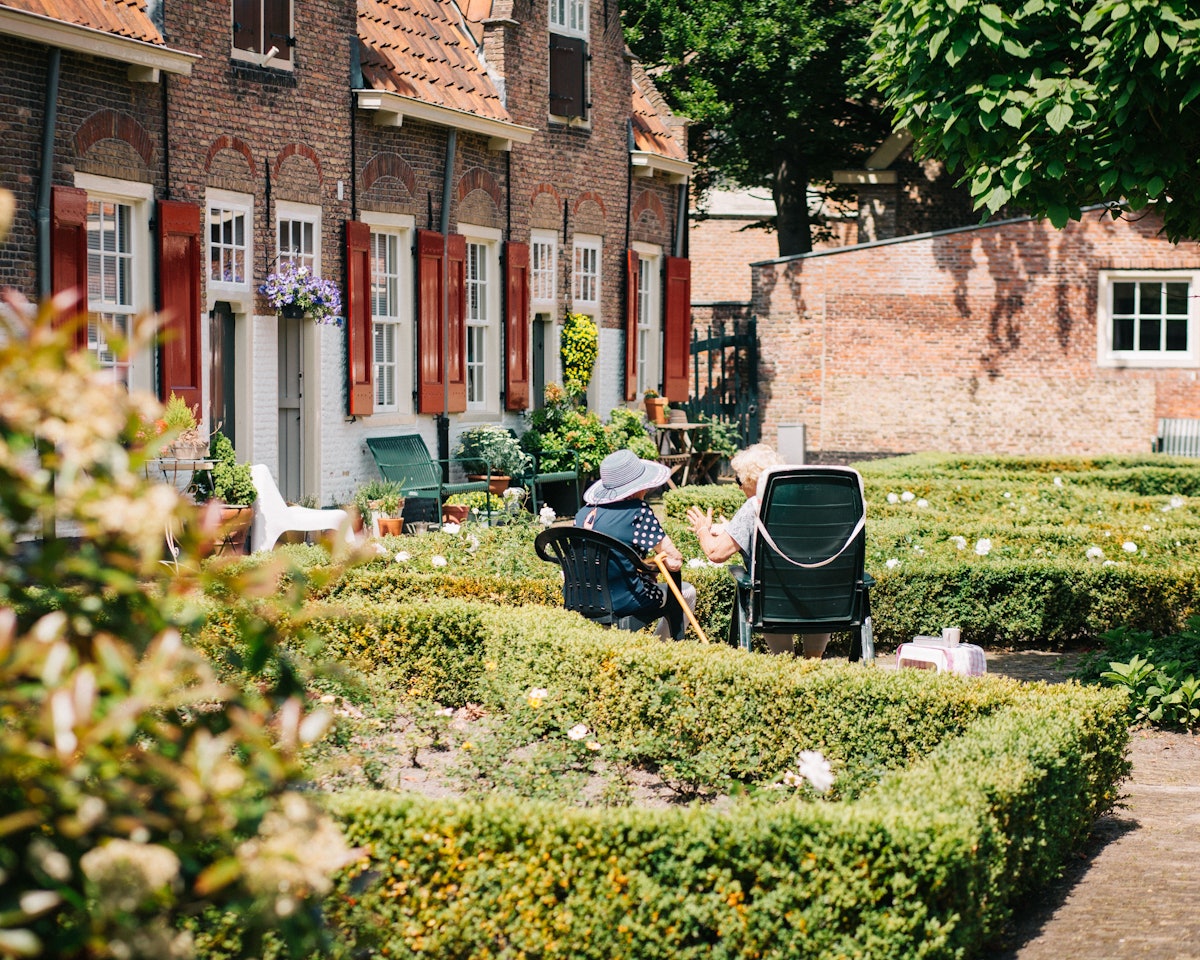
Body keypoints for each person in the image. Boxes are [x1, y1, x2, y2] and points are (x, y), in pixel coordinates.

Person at [686, 444, 830, 658]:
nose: (738, 487)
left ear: (751, 481)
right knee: (810, 581)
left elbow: (715, 553)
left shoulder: (754, 505)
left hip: (775, 601)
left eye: (738, 480)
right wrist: (733, 530)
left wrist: (702, 530)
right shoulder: (810, 504)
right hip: (824, 599)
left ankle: (785, 660)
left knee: (766, 587)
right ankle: (813, 660)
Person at [576, 449, 698, 640]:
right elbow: (674, 562)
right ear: (638, 487)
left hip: (581, 599)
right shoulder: (637, 511)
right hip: (623, 600)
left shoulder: (582, 514)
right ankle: (661, 650)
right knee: (688, 592)